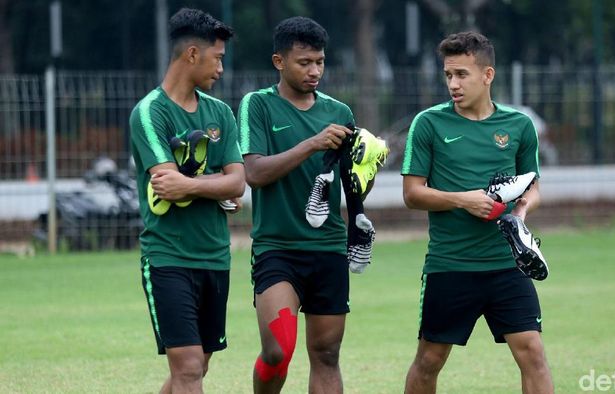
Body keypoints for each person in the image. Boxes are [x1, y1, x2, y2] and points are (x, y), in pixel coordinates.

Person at [401, 31, 554, 394]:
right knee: (429, 360)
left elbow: (532, 186)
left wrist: (521, 214)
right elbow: (412, 194)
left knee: (532, 352)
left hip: (506, 264)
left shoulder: (518, 126)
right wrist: (463, 199)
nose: (453, 84)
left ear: (487, 76)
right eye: (448, 75)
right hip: (450, 264)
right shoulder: (428, 124)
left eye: (462, 75)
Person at [237, 16, 384, 394]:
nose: (315, 70)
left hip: (328, 249)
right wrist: (311, 144)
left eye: (320, 61)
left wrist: (368, 171)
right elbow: (253, 172)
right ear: (279, 62)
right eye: (304, 62)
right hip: (277, 249)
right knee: (277, 351)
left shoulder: (339, 112)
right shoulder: (258, 105)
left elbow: (353, 183)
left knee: (327, 354)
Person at [129, 8, 245, 393]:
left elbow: (238, 183)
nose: (221, 70)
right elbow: (166, 184)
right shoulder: (149, 112)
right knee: (190, 367)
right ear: (192, 54)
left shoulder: (221, 113)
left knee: (198, 366)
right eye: (218, 59)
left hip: (215, 255)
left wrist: (198, 185)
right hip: (168, 257)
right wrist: (216, 184)